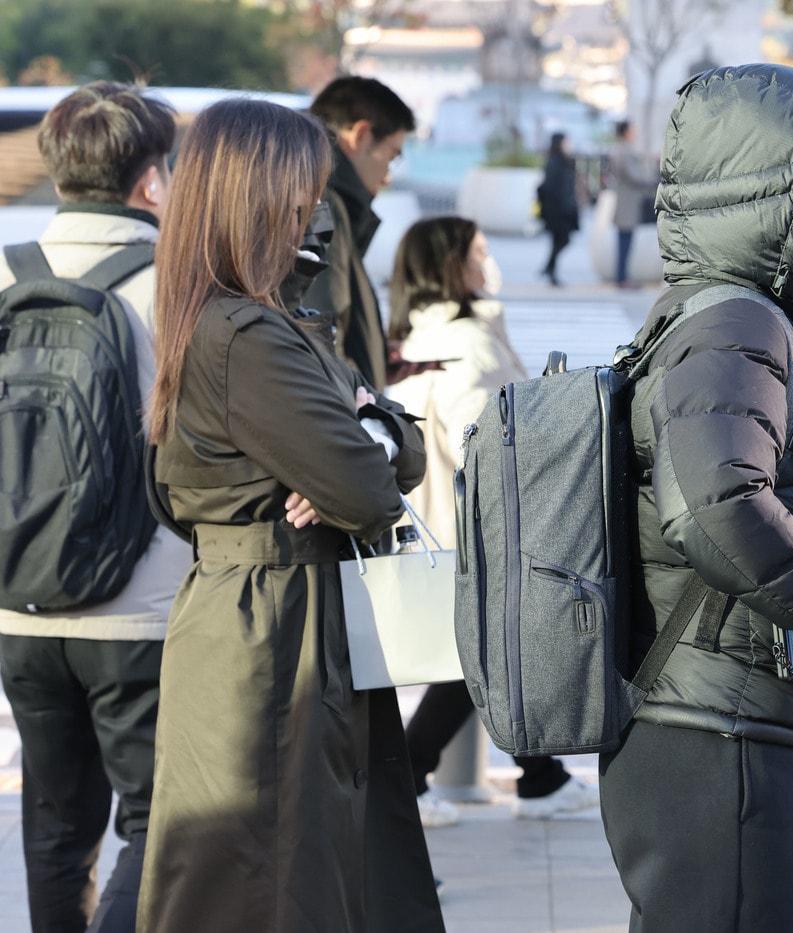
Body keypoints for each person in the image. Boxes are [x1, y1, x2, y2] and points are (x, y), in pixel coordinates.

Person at [137, 98, 443, 932]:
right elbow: (369, 489)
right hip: (270, 629)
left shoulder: (241, 319)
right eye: (302, 191)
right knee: (270, 873)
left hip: (262, 614)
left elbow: (391, 444)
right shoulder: (250, 335)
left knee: (274, 866)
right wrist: (364, 440)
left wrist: (368, 431)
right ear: (256, 195)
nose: (314, 211)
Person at [601, 63, 793, 931]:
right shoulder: (737, 323)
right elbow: (716, 503)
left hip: (710, 707)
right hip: (720, 722)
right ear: (773, 194)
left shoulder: (718, 314)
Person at [0, 81, 182, 933]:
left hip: (19, 601)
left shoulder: (5, 272)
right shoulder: (174, 286)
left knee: (54, 824)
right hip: (139, 609)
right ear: (150, 182)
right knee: (157, 819)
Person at [385, 216, 600, 824]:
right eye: (480, 251)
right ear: (452, 266)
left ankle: (540, 776)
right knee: (484, 658)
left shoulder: (410, 340)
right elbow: (493, 448)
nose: (490, 262)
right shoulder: (471, 343)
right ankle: (415, 771)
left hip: (433, 528)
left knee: (486, 657)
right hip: (477, 533)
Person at [306, 75, 416, 390]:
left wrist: (373, 358)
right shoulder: (321, 205)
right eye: (392, 156)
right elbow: (321, 334)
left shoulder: (319, 195)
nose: (387, 177)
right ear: (362, 135)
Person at [607, 119, 657, 287]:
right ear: (626, 132)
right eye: (632, 129)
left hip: (625, 201)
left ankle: (622, 276)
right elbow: (634, 176)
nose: (634, 133)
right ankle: (622, 278)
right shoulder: (624, 151)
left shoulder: (619, 149)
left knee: (625, 240)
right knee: (625, 241)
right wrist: (653, 179)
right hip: (627, 201)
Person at [538, 132, 580, 287]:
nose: (569, 144)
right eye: (566, 142)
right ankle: (550, 270)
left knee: (559, 241)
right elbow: (552, 188)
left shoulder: (564, 161)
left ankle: (549, 268)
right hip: (558, 210)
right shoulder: (555, 162)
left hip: (563, 209)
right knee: (561, 240)